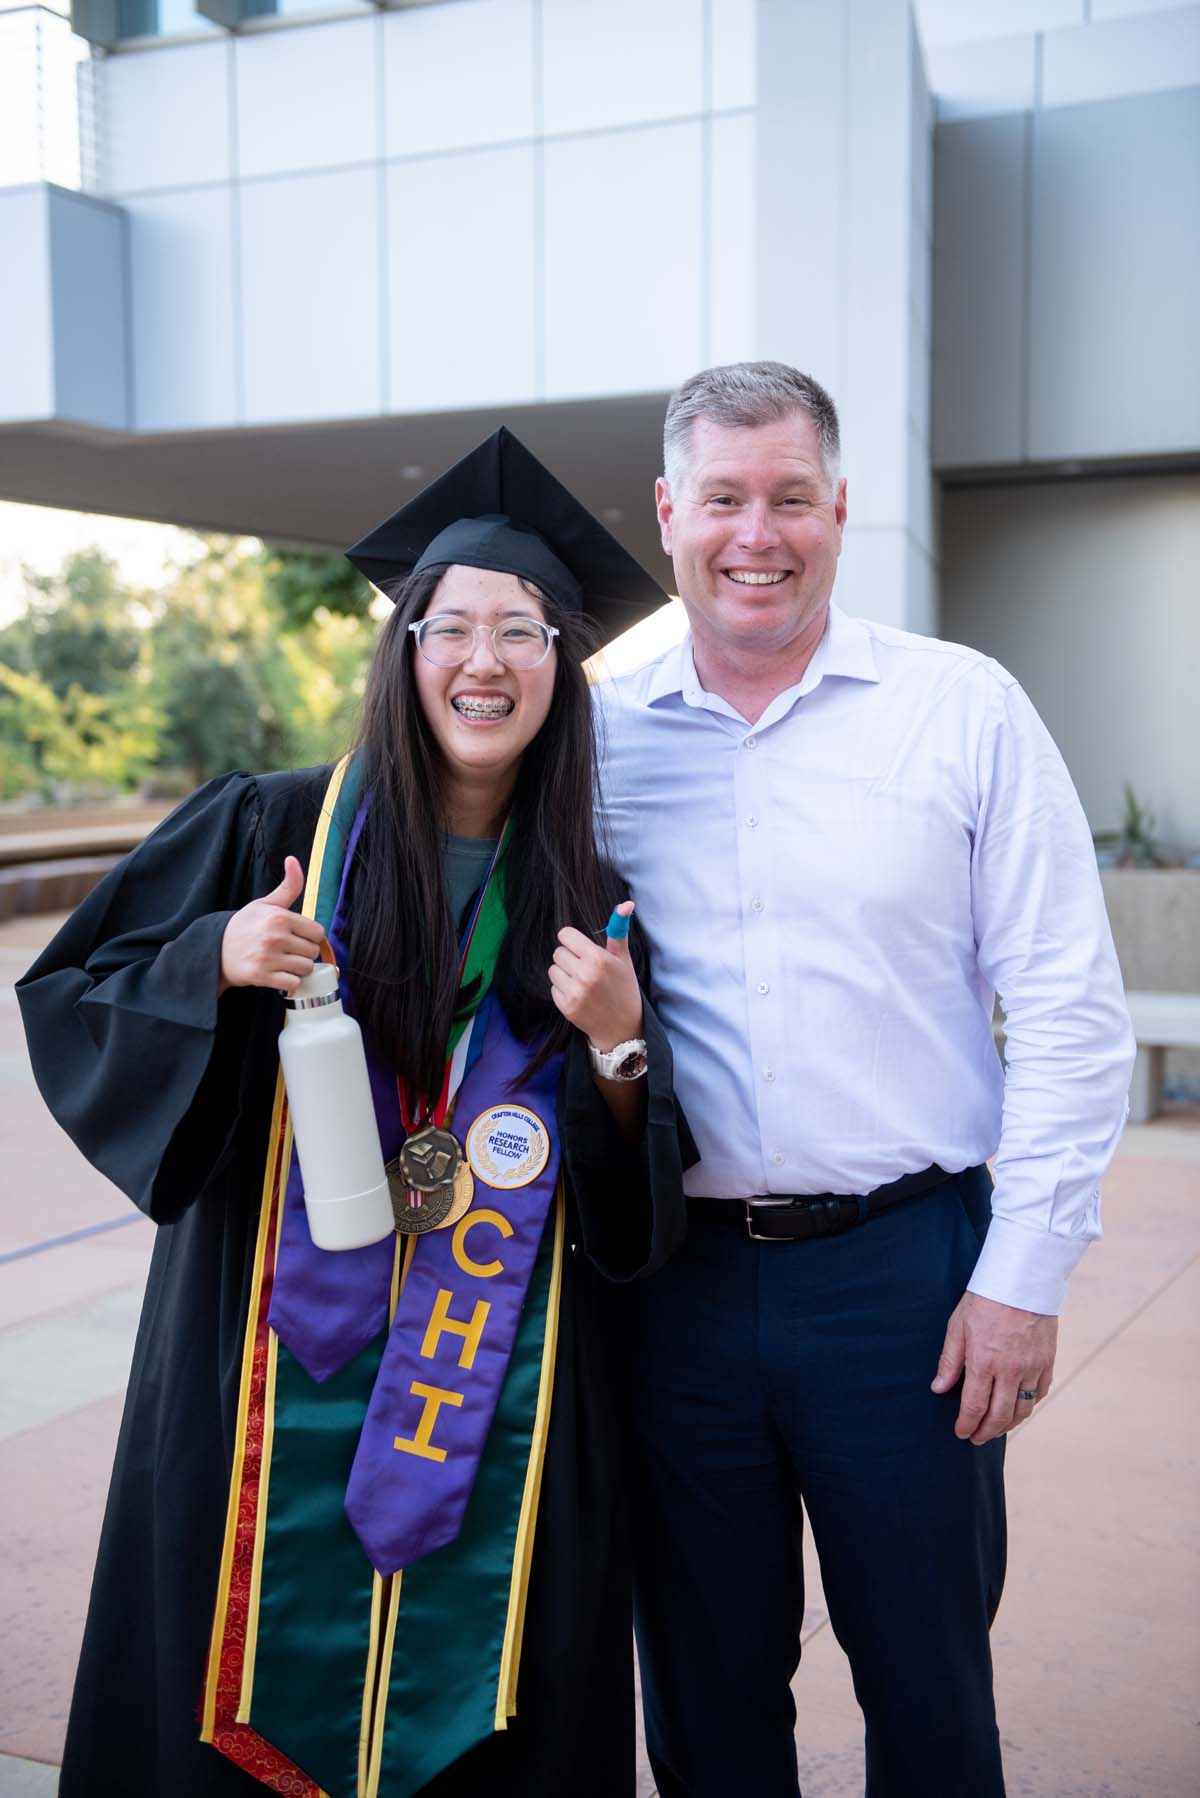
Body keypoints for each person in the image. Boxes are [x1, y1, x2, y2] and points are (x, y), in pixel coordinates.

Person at [18, 428, 691, 1798]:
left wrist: (622, 1046)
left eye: (525, 631)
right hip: (260, 1367)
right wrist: (210, 960)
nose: (486, 661)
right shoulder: (272, 826)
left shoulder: (590, 897)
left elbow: (630, 1210)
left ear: (564, 669)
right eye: (454, 628)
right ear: (405, 650)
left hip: (492, 1382)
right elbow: (68, 993)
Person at [592, 361, 1136, 1797]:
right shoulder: (594, 736)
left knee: (929, 1678)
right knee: (704, 1695)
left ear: (842, 507)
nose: (754, 534)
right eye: (722, 498)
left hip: (912, 1279)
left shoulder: (961, 709)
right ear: (669, 511)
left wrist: (1024, 1272)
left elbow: (1072, 1010)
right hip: (675, 1289)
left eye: (788, 497)